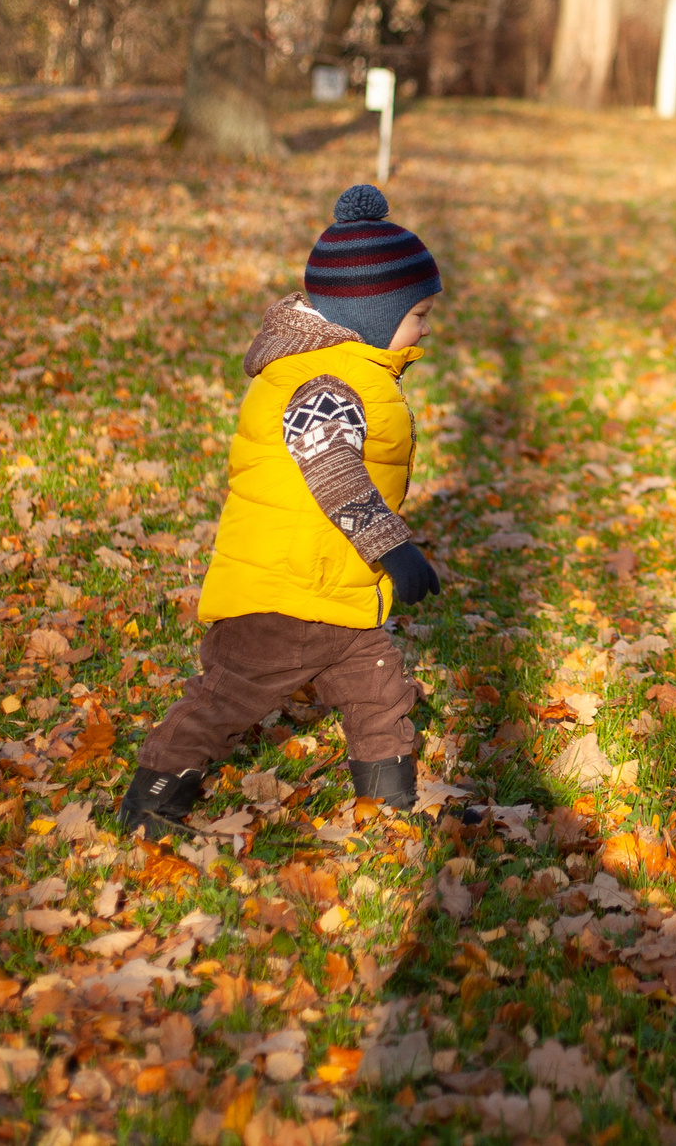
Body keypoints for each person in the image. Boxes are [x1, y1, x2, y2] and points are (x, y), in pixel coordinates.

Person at [118, 184, 449, 838]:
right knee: (228, 697)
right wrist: (394, 547)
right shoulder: (327, 382)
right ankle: (152, 798)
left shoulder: (355, 369)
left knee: (379, 688)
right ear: (376, 314)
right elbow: (333, 472)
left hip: (330, 589)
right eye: (419, 313)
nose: (427, 328)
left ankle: (389, 812)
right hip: (282, 589)